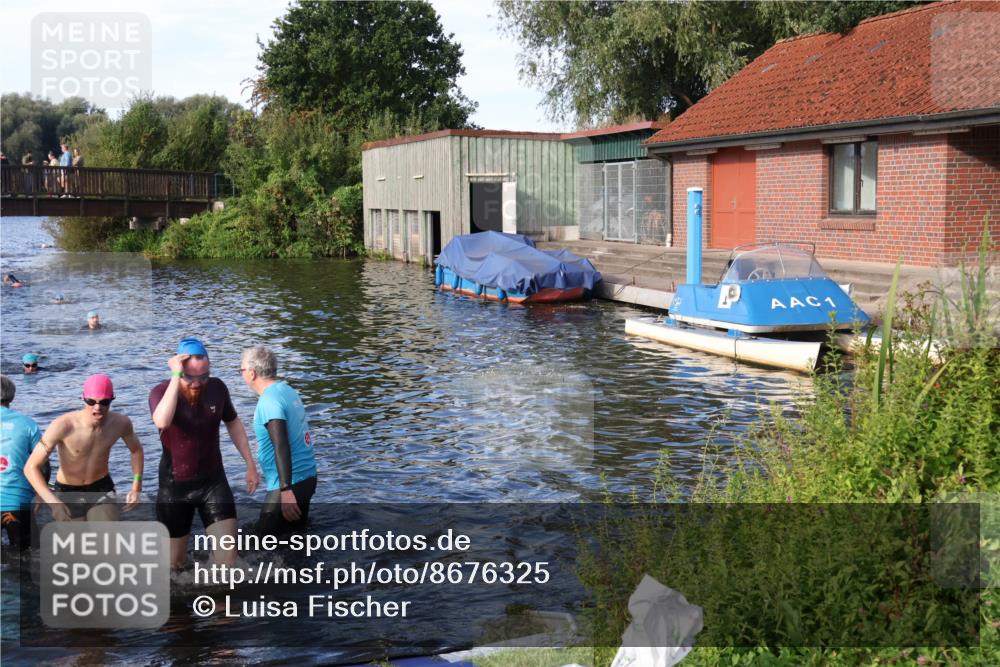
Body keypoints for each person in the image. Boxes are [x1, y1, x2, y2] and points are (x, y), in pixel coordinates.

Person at [150, 337, 259, 568]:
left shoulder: (217, 388)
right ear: (179, 371)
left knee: (228, 565)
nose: (197, 384)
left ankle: (223, 603)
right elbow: (162, 421)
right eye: (190, 377)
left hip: (213, 483)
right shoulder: (161, 391)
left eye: (204, 376)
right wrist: (175, 379)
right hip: (174, 488)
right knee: (174, 567)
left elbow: (233, 422)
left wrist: (250, 464)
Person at [24, 374, 143, 522]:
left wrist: (136, 486)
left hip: (101, 487)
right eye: (91, 401)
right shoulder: (63, 426)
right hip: (69, 490)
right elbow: (31, 467)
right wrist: (53, 502)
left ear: (112, 400)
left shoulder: (121, 423)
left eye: (104, 402)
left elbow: (136, 450)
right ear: (83, 398)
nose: (97, 407)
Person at [240, 346, 317, 536]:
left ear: (252, 373)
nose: (241, 375)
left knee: (260, 547)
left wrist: (285, 490)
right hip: (307, 477)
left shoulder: (269, 401)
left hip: (289, 485)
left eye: (240, 370)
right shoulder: (287, 390)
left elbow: (280, 445)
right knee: (294, 542)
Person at [1, 375, 42, 552]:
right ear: (12, 396)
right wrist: (40, 493)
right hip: (18, 502)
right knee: (26, 558)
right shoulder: (28, 424)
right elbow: (43, 463)